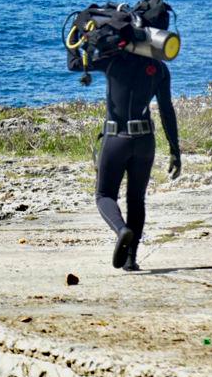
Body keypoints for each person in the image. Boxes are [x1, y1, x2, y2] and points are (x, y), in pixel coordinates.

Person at [70, 50, 181, 271]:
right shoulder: (158, 68)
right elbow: (167, 110)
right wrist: (175, 149)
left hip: (116, 139)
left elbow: (74, 64)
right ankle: (131, 259)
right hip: (145, 141)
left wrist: (75, 38)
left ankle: (121, 229)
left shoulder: (110, 61)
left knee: (104, 195)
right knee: (136, 200)